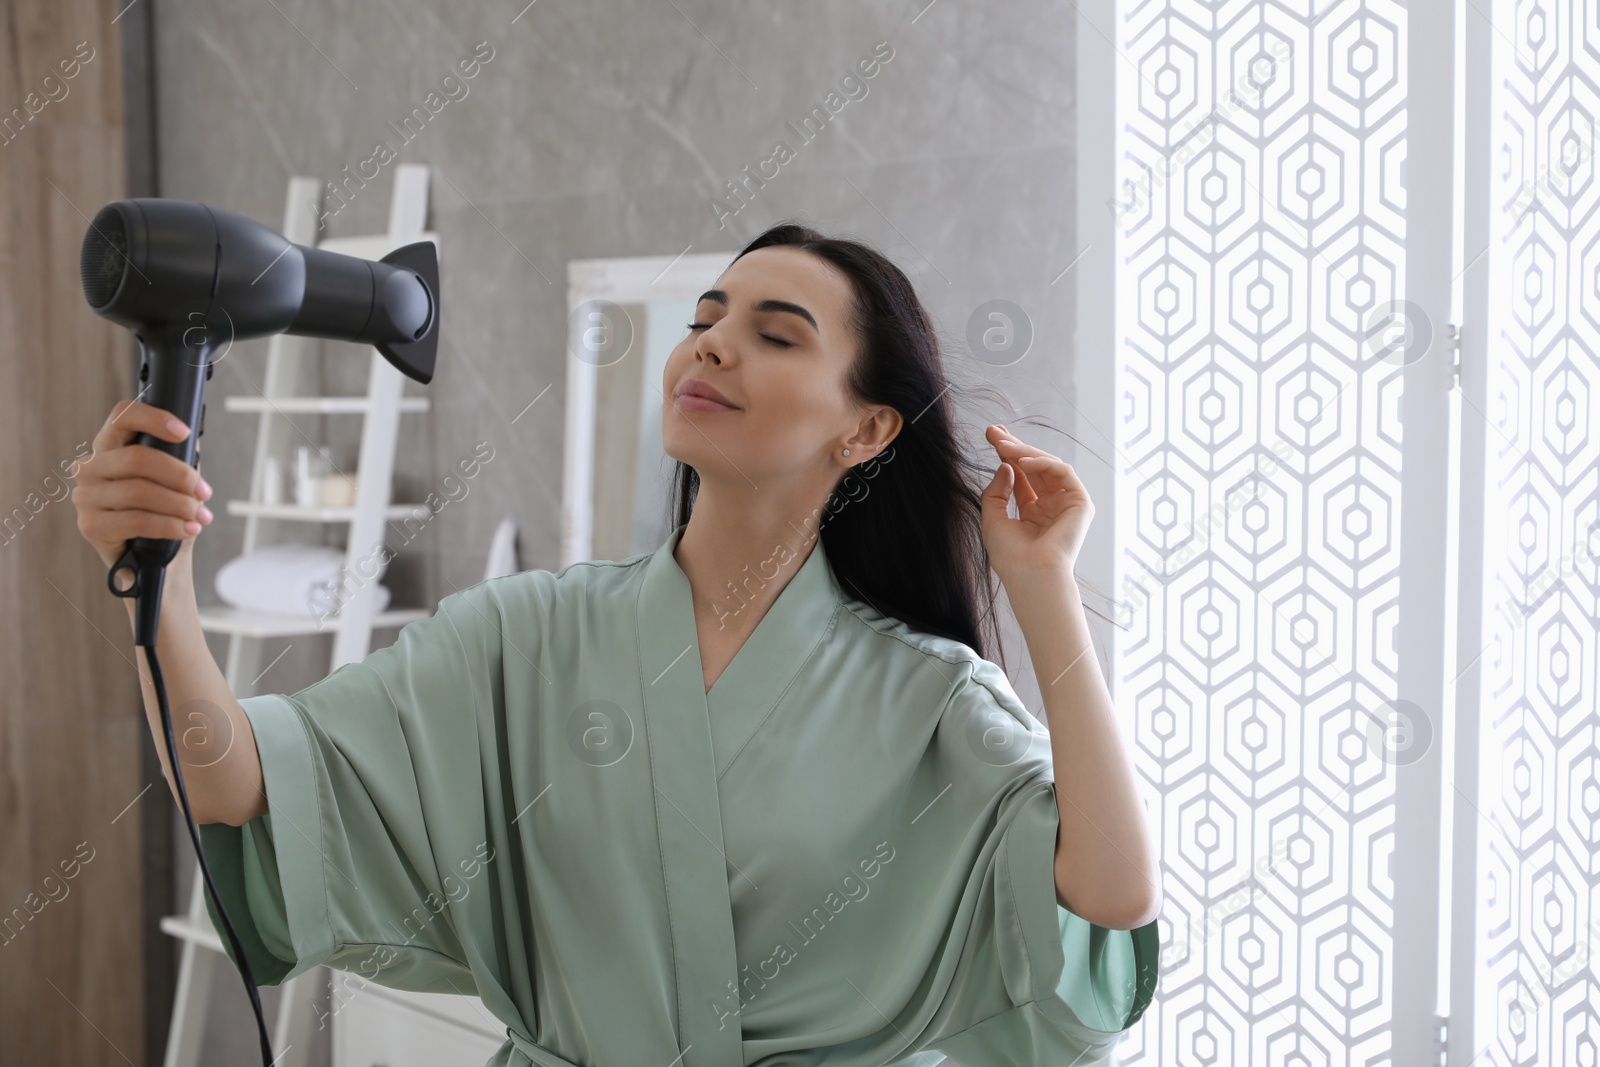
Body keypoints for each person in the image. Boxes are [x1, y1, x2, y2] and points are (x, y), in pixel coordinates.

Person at [73, 222, 1161, 1066]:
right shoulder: (521, 636)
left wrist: (1040, 583)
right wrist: (149, 573)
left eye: (777, 333)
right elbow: (234, 782)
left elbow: (1106, 897)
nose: (714, 342)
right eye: (705, 315)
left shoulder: (926, 699)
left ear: (867, 428)